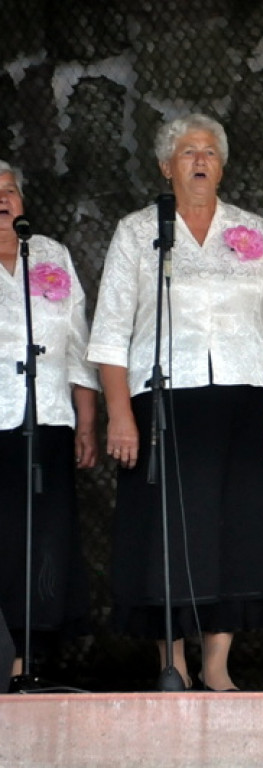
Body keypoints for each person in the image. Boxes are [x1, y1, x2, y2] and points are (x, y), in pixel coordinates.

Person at [87, 114, 263, 692]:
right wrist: (121, 414)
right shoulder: (137, 232)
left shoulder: (251, 231)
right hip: (163, 400)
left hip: (242, 400)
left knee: (236, 530)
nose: (200, 160)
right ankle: (172, 664)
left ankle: (217, 666)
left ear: (222, 165)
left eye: (209, 151)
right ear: (165, 166)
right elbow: (110, 332)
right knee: (166, 529)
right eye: (187, 152)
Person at [0, 161, 98, 681]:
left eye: (10, 190)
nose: (3, 199)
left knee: (45, 539)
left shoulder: (50, 253)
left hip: (50, 417)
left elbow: (78, 343)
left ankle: (31, 659)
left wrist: (86, 420)